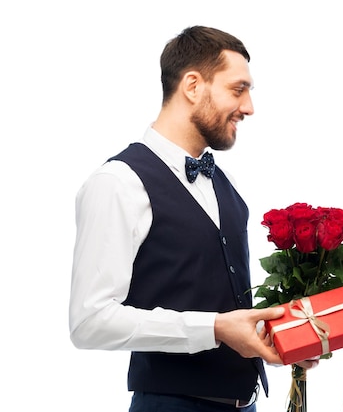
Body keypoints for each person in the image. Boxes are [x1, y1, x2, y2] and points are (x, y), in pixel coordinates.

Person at [69, 26, 316, 412]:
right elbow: (90, 322)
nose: (249, 107)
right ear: (192, 86)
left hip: (245, 404)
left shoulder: (225, 182)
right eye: (238, 89)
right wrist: (215, 329)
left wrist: (284, 335)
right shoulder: (118, 182)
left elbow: (216, 291)